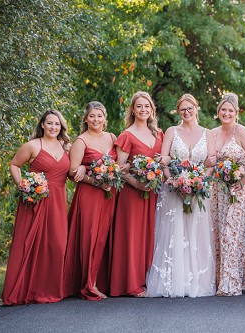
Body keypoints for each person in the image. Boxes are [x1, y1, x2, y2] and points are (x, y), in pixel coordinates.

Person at [146, 93, 216, 297]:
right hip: (173, 189)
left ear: (197, 108)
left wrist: (200, 180)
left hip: (199, 190)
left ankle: (196, 281)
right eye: (182, 109)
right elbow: (164, 159)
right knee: (174, 233)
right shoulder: (171, 131)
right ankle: (173, 281)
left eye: (190, 108)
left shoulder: (207, 133)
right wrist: (172, 180)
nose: (187, 112)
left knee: (196, 233)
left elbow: (211, 162)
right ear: (178, 112)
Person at [2, 110, 71, 305]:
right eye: (49, 123)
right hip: (35, 200)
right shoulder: (32, 146)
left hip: (57, 201)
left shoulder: (66, 147)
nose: (53, 127)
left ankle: (48, 289)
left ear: (61, 127)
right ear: (42, 124)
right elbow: (14, 165)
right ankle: (25, 291)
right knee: (29, 244)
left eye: (57, 124)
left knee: (57, 245)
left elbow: (73, 171)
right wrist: (23, 186)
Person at [109, 91, 163, 297]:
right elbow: (119, 169)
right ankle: (131, 284)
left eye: (147, 106)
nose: (143, 110)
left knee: (150, 236)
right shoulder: (126, 135)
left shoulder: (159, 134)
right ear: (132, 109)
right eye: (139, 106)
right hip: (132, 194)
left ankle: (146, 279)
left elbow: (163, 159)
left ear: (152, 110)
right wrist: (137, 184)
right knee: (132, 237)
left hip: (154, 193)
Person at [63, 101, 118, 301]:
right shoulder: (81, 141)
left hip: (109, 195)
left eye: (99, 116)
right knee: (89, 237)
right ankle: (88, 285)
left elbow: (120, 164)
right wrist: (94, 179)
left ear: (105, 118)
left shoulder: (112, 137)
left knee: (104, 236)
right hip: (89, 195)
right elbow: (72, 172)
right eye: (92, 116)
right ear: (85, 118)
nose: (96, 119)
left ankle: (100, 281)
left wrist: (112, 176)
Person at [210, 92, 245, 296]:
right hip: (217, 191)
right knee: (219, 234)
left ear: (236, 113)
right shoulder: (212, 133)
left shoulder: (242, 132)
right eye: (223, 110)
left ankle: (231, 283)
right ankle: (219, 280)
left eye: (230, 110)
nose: (226, 113)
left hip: (239, 190)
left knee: (233, 234)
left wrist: (242, 180)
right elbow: (208, 160)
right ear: (218, 112)